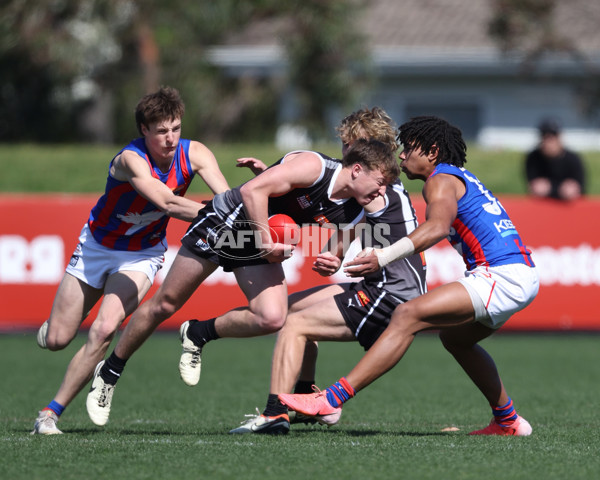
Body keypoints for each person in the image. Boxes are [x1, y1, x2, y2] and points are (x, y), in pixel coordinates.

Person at [85, 133, 401, 427]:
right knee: (165, 304)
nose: (382, 190)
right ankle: (110, 371)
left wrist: (332, 259)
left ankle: (197, 333)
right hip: (226, 222)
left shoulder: (357, 209)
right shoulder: (315, 167)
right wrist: (265, 242)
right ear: (357, 170)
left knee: (273, 317)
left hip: (258, 237)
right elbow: (253, 190)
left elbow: (336, 250)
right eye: (381, 181)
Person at [279, 115, 540, 436]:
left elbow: (437, 227)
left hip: (502, 276)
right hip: (520, 274)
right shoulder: (458, 177)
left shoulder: (440, 180)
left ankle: (332, 399)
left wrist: (383, 256)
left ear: (432, 152)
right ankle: (508, 421)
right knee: (456, 340)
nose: (402, 155)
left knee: (407, 313)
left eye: (410, 148)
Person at [31, 86, 230, 435]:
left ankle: (50, 413)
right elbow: (167, 203)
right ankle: (52, 332)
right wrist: (214, 216)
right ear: (143, 131)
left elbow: (227, 199)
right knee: (59, 339)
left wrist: (243, 217)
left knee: (105, 329)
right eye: (161, 131)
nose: (170, 139)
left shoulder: (196, 153)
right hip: (96, 246)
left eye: (176, 129)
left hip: (141, 255)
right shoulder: (130, 160)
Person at [228, 109, 428, 435]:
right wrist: (280, 180)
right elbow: (344, 222)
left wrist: (279, 182)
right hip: (381, 289)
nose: (347, 154)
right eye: (346, 145)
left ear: (377, 149)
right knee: (291, 310)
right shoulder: (372, 188)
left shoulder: (378, 188)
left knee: (293, 324)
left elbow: (348, 212)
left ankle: (274, 414)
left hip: (390, 296)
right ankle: (307, 394)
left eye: (355, 145)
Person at [525, 118, 585, 201]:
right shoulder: (533, 158)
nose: (549, 142)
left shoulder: (572, 159)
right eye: (545, 137)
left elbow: (581, 188)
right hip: (542, 206)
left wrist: (570, 190)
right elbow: (533, 186)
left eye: (552, 137)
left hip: (569, 206)